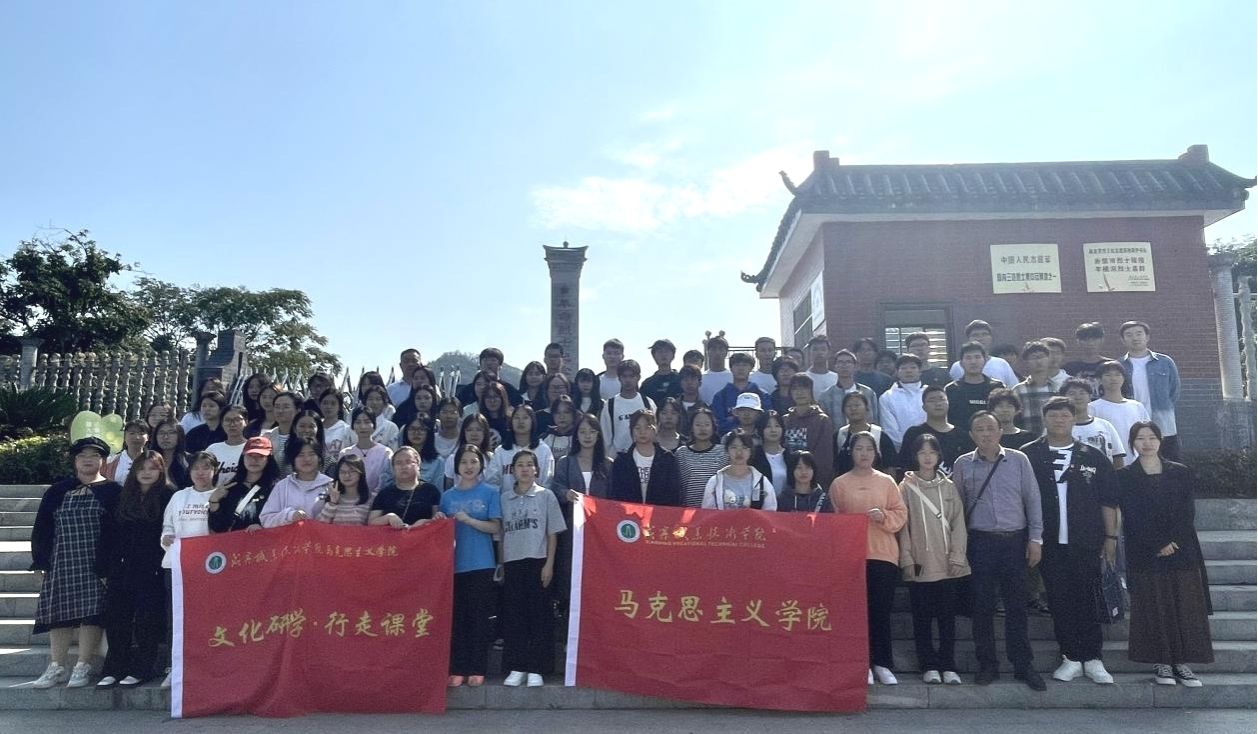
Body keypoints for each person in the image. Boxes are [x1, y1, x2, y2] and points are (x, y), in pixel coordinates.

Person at [1021, 397, 1119, 685]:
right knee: (1059, 599)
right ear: (1044, 419)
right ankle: (1071, 656)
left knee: (1087, 598)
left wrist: (1111, 537)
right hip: (1047, 542)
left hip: (1086, 540)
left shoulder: (1092, 455)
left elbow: (1108, 500)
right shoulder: (1028, 455)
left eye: (1065, 415)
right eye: (1053, 415)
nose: (1059, 420)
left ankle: (1093, 657)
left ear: (1074, 419)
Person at [1109, 421, 1214, 686]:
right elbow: (1132, 515)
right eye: (1140, 438)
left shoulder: (1180, 471)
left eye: (1152, 437)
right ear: (1132, 443)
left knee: (1183, 605)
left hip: (1182, 548)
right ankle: (1161, 662)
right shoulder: (1124, 476)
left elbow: (1187, 511)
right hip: (1144, 551)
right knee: (1153, 605)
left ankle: (1182, 662)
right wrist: (1157, 543)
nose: (1147, 443)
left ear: (1160, 440)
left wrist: (1173, 541)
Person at [952, 411, 1046, 691]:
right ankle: (987, 664)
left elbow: (1032, 499)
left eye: (990, 428)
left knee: (1017, 606)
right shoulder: (962, 464)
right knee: (982, 607)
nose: (985, 434)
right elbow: (956, 507)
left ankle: (1022, 664)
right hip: (980, 542)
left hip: (1015, 542)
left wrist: (1036, 539)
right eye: (979, 429)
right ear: (972, 435)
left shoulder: (1019, 460)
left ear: (1000, 431)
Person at [30, 437, 120, 689]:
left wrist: (108, 566)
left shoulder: (113, 491)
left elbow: (116, 532)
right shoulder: (57, 490)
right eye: (82, 455)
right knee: (57, 615)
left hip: (96, 563)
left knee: (92, 614)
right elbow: (42, 527)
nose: (87, 460)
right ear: (75, 460)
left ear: (103, 461)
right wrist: (40, 560)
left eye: (94, 455)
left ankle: (83, 665)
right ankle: (56, 666)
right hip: (61, 560)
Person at [830, 431, 907, 685]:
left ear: (876, 453)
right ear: (850, 452)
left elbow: (900, 515)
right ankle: (861, 663)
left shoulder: (887, 481)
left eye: (869, 449)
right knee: (856, 613)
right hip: (852, 556)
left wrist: (883, 516)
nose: (864, 453)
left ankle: (882, 663)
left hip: (883, 554)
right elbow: (834, 522)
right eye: (859, 448)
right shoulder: (840, 484)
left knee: (880, 611)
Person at [897, 433, 969, 685]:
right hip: (920, 562)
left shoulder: (949, 486)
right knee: (922, 618)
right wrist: (906, 559)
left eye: (932, 452)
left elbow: (959, 524)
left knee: (947, 618)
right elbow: (902, 528)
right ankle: (928, 664)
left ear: (939, 456)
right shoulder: (905, 488)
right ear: (915, 456)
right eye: (922, 452)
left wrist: (958, 556)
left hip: (948, 562)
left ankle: (948, 664)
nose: (927, 457)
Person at [97, 452, 172, 688]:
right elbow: (108, 533)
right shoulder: (123, 496)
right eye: (142, 468)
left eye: (152, 468)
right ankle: (114, 668)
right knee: (117, 619)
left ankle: (143, 668)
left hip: (152, 568)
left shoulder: (169, 495)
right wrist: (104, 566)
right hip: (120, 566)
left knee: (146, 620)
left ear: (161, 471)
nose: (146, 473)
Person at [499, 450, 566, 688]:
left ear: (537, 469)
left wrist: (549, 564)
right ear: (513, 470)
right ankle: (516, 667)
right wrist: (501, 564)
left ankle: (538, 668)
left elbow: (553, 533)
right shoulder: (504, 498)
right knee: (515, 616)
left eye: (529, 464)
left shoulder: (546, 495)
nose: (525, 469)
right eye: (520, 465)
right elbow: (501, 534)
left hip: (539, 561)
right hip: (513, 562)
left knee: (540, 616)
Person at [440, 445, 503, 688]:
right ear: (456, 466)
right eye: (464, 462)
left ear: (481, 465)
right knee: (458, 619)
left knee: (478, 618)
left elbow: (495, 527)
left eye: (473, 461)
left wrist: (470, 520)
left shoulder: (490, 492)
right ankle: (458, 667)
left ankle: (477, 668)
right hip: (454, 565)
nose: (468, 466)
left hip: (481, 563)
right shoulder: (447, 497)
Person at [159, 450, 218, 687]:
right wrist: (166, 538)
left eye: (206, 467)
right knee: (177, 618)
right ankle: (175, 666)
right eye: (196, 468)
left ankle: (206, 665)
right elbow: (167, 526)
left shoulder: (220, 495)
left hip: (210, 569)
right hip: (177, 567)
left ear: (214, 470)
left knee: (207, 619)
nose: (200, 473)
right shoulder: (179, 496)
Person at [1119, 321, 1181, 461]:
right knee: (1137, 463)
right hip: (1133, 421)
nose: (1135, 338)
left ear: (1147, 337)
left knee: (1169, 462)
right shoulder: (1119, 365)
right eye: (1129, 335)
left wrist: (1164, 406)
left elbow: (1174, 391)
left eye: (1139, 333)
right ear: (1123, 340)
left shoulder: (1165, 362)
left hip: (1163, 423)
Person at [608, 410, 682, 506]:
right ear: (631, 430)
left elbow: (674, 493)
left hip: (659, 512)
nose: (642, 432)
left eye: (647, 427)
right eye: (637, 428)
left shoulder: (667, 459)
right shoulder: (622, 460)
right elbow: (615, 493)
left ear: (655, 428)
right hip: (630, 513)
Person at [207, 437, 281, 532]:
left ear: (268, 459)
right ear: (243, 457)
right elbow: (218, 528)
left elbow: (283, 519)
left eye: (260, 456)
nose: (254, 460)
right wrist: (214, 500)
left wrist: (264, 527)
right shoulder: (231, 487)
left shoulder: (277, 487)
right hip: (235, 540)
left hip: (267, 540)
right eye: (250, 455)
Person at [898, 386, 975, 475]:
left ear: (948, 403)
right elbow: (904, 466)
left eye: (942, 399)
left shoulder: (962, 436)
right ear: (924, 407)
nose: (938, 404)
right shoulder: (913, 434)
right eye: (932, 400)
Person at [259, 438, 334, 527]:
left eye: (311, 454)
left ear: (319, 458)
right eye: (300, 455)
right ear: (293, 460)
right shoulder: (282, 486)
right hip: (288, 536)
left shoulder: (330, 485)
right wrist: (289, 516)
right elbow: (266, 520)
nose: (307, 459)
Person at [1089, 361, 1149, 467]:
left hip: (1136, 462)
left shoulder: (1137, 406)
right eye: (1108, 375)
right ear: (1099, 380)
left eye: (1117, 375)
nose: (1113, 378)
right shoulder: (1093, 408)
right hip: (1107, 463)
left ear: (1123, 378)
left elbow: (1147, 432)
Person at [487, 404, 555, 496]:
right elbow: (492, 482)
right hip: (507, 502)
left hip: (537, 502)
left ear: (532, 421)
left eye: (525, 417)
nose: (521, 421)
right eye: (517, 418)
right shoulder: (501, 451)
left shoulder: (544, 450)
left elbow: (548, 482)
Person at [782, 373, 836, 486]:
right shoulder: (785, 420)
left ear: (811, 391)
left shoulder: (822, 420)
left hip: (814, 482)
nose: (800, 392)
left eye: (804, 388)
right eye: (795, 388)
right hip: (788, 482)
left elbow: (825, 459)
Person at [367, 447, 442, 528]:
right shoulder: (384, 493)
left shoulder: (430, 490)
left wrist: (425, 522)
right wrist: (388, 517)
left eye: (408, 462)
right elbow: (371, 522)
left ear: (418, 465)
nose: (404, 466)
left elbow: (437, 521)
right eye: (398, 463)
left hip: (423, 534)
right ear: (393, 468)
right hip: (392, 536)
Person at [701, 431, 777, 510]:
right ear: (727, 450)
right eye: (734, 447)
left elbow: (770, 512)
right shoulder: (715, 482)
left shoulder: (762, 482)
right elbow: (708, 512)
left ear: (750, 451)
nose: (739, 452)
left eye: (744, 447)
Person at [1061, 379, 1126, 468]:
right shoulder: (1057, 427)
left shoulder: (1105, 425)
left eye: (1082, 393)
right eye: (1072, 393)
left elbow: (1118, 458)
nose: (1078, 397)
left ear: (1089, 397)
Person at [599, 360, 655, 458]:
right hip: (618, 458)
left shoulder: (648, 403)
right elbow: (605, 436)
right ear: (619, 378)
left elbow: (655, 432)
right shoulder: (610, 405)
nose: (628, 380)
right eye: (624, 376)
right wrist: (608, 458)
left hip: (644, 458)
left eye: (631, 376)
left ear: (638, 377)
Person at [834, 392, 897, 477]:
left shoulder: (880, 435)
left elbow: (890, 468)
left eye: (857, 405)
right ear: (843, 411)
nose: (853, 409)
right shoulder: (839, 436)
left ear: (867, 408)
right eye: (849, 406)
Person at [673, 407, 726, 508]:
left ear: (713, 427)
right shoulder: (682, 453)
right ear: (691, 428)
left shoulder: (723, 452)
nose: (702, 429)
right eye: (698, 425)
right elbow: (678, 486)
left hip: (715, 511)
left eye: (707, 424)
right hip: (689, 510)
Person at [946, 342, 1006, 430]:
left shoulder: (997, 387)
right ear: (961, 363)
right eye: (968, 358)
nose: (973, 362)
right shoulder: (951, 389)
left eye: (977, 357)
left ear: (985, 361)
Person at [947, 320, 1020, 387]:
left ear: (991, 338)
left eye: (984, 334)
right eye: (975, 335)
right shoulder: (957, 366)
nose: (980, 338)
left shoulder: (1001, 364)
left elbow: (1013, 389)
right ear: (968, 339)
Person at [339, 406, 394, 494]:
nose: (363, 426)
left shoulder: (386, 453)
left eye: (367, 422)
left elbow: (387, 482)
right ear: (352, 426)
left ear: (374, 425)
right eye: (358, 422)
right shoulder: (345, 453)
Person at [711, 352, 769, 435]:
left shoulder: (762, 395)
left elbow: (766, 422)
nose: (741, 368)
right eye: (737, 365)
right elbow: (719, 424)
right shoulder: (721, 396)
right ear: (731, 368)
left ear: (751, 368)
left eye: (745, 365)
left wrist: (733, 419)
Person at [818, 349, 881, 426]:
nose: (844, 365)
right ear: (835, 367)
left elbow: (875, 421)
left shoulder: (868, 393)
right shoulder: (826, 396)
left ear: (856, 366)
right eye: (840, 362)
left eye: (848, 362)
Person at [879, 354, 927, 452]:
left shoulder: (930, 393)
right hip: (901, 451)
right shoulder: (887, 397)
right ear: (897, 372)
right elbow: (890, 429)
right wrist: (907, 447)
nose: (908, 371)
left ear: (920, 371)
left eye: (913, 367)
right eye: (903, 368)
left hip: (930, 449)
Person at [1012, 341, 1056, 437]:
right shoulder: (1018, 390)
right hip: (1027, 440)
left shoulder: (1057, 388)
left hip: (1054, 439)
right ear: (1026, 362)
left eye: (1042, 357)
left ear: (1049, 359)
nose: (1039, 361)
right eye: (1034, 358)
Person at [443, 414, 495, 488]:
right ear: (463, 433)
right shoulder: (453, 459)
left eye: (479, 429)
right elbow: (448, 488)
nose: (474, 434)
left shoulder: (492, 458)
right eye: (469, 430)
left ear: (485, 432)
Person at [1064, 322, 1114, 395]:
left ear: (1102, 340)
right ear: (1078, 342)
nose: (1090, 343)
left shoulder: (1111, 365)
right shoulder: (1069, 367)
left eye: (1094, 339)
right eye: (1086, 340)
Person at [205, 405, 249, 486]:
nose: (232, 424)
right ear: (221, 423)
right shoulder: (213, 449)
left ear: (246, 422)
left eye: (237, 420)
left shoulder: (251, 447)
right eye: (228, 420)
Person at [751, 410, 792, 493]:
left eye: (777, 426)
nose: (773, 430)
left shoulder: (789, 455)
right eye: (768, 426)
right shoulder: (754, 456)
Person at [263, 391, 303, 469]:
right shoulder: (266, 436)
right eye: (277, 407)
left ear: (298, 410)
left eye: (286, 407)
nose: (280, 411)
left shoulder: (304, 435)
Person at [149, 419, 191, 491]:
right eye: (161, 433)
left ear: (179, 436)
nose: (165, 437)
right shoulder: (147, 459)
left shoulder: (189, 460)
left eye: (171, 433)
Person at [641, 338, 683, 407]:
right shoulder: (647, 384)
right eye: (660, 351)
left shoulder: (681, 380)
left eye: (666, 351)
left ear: (673, 355)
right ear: (654, 356)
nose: (663, 354)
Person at [361, 385, 401, 449]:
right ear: (365, 402)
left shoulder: (391, 427)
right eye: (370, 399)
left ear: (385, 404)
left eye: (378, 399)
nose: (374, 402)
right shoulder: (357, 425)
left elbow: (394, 451)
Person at [317, 389, 354, 457]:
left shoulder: (346, 429)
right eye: (325, 403)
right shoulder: (315, 427)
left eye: (333, 403)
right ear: (320, 405)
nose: (328, 407)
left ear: (339, 407)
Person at [541, 395, 578, 461]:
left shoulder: (578, 437)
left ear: (573, 414)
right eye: (557, 413)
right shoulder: (545, 437)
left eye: (566, 412)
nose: (562, 417)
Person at [699, 335, 733, 405]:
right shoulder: (701, 379)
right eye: (713, 349)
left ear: (726, 353)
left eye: (721, 349)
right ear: (708, 352)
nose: (717, 353)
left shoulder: (734, 378)